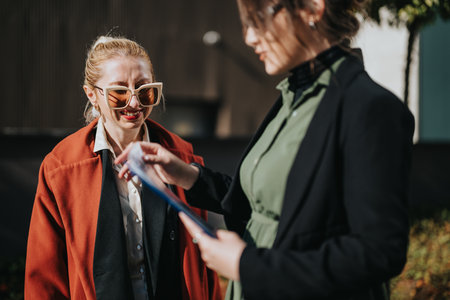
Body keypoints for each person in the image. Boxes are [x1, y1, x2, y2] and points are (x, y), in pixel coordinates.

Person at [116, 0, 415, 298]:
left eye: (258, 20)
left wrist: (248, 266)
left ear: (312, 8)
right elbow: (263, 208)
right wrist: (189, 175)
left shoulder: (370, 109)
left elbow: (378, 253)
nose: (249, 37)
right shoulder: (290, 100)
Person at [25, 36, 222, 300]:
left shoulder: (183, 159)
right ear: (92, 95)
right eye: (119, 92)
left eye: (144, 90)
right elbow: (45, 275)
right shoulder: (61, 168)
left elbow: (201, 269)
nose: (134, 103)